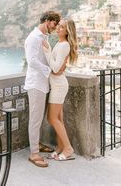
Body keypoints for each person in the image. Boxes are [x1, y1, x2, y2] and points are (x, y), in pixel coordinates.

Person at [24, 10, 66, 168]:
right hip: (35, 84)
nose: (55, 28)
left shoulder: (43, 38)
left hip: (43, 84)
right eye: (54, 24)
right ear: (48, 21)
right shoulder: (34, 38)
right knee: (35, 120)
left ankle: (37, 144)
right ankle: (34, 153)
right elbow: (32, 61)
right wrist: (51, 71)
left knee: (39, 118)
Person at [42, 18, 78, 161]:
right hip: (57, 84)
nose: (58, 28)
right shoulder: (60, 43)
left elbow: (56, 68)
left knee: (51, 118)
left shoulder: (63, 45)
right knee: (59, 119)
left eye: (62, 27)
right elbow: (57, 67)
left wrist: (47, 51)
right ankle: (60, 147)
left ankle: (68, 148)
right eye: (59, 26)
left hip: (58, 86)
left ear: (67, 31)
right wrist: (51, 53)